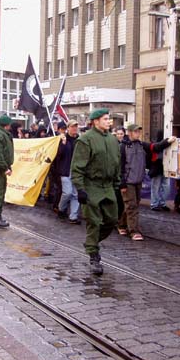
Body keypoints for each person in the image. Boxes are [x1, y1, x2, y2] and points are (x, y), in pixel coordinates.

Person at [71, 109, 121, 275]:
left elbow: (116, 163)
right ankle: (94, 256)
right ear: (95, 121)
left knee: (112, 219)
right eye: (105, 119)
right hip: (91, 185)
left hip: (108, 187)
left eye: (109, 119)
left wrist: (117, 184)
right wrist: (80, 189)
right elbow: (77, 167)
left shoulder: (113, 140)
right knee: (94, 221)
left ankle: (91, 242)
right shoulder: (85, 140)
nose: (109, 122)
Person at [55, 120, 80, 224]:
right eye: (72, 127)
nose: (74, 129)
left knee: (75, 194)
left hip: (77, 170)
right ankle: (61, 209)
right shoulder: (63, 139)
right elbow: (58, 155)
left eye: (76, 127)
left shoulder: (79, 140)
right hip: (65, 170)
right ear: (68, 128)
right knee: (67, 193)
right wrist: (63, 144)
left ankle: (73, 216)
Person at [149, 130, 177, 211]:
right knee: (157, 187)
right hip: (157, 168)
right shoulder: (157, 145)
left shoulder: (158, 143)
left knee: (164, 187)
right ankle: (155, 204)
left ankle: (161, 203)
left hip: (164, 168)